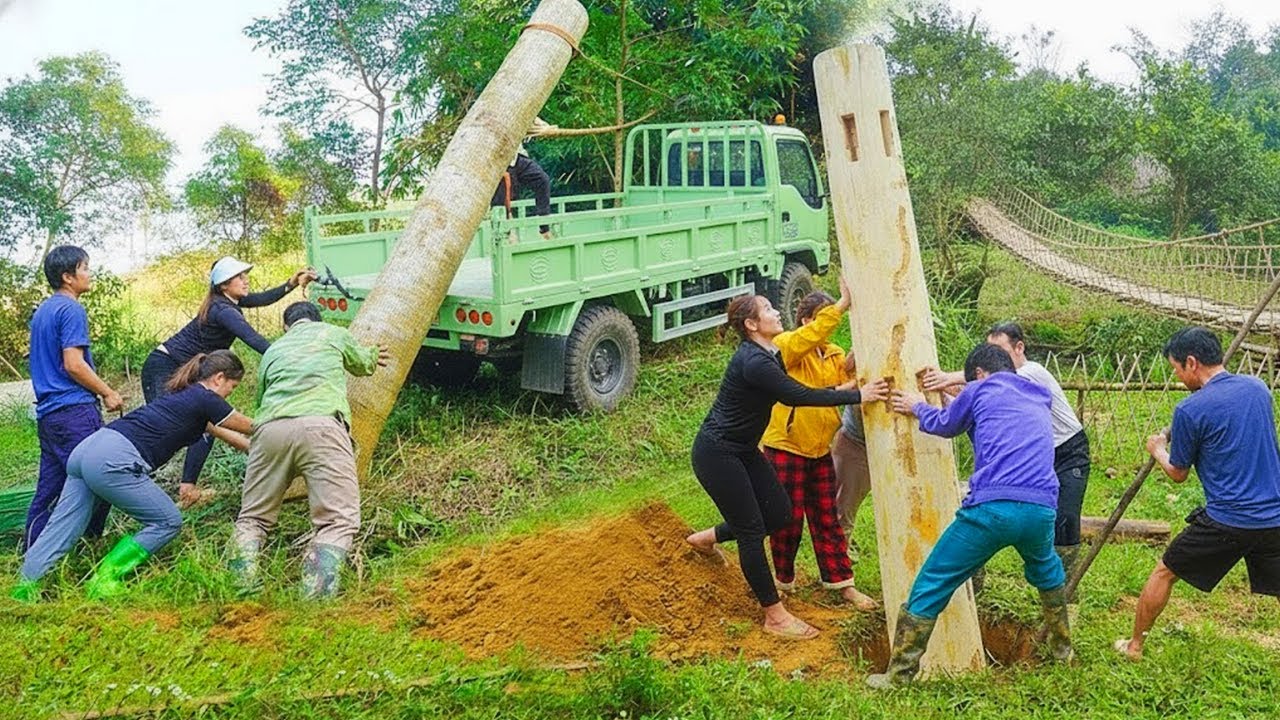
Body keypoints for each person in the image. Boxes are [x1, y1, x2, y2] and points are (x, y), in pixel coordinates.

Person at [684, 293, 888, 640]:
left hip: (743, 450)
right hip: (718, 453)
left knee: (779, 513)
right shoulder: (754, 361)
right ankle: (775, 617)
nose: (777, 312)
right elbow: (797, 395)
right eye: (768, 309)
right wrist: (856, 395)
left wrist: (844, 385)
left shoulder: (770, 353)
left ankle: (707, 538)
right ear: (752, 324)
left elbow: (804, 384)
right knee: (751, 532)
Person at [868, 343, 1072, 688]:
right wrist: (960, 398)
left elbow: (946, 424)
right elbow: (997, 427)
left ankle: (899, 675)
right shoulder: (1039, 394)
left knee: (934, 580)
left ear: (978, 374)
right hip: (1041, 509)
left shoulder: (978, 389)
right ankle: (1063, 652)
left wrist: (916, 406)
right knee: (1047, 572)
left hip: (991, 511)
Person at [11, 351, 252, 601]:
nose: (229, 393)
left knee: (60, 528)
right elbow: (247, 425)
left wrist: (252, 447)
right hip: (112, 459)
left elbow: (225, 432)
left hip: (88, 450)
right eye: (232, 387)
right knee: (168, 521)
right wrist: (274, 426)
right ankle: (106, 578)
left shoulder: (184, 396)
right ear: (219, 378)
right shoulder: (206, 397)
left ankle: (23, 591)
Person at [1116, 327, 1280, 661]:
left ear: (1191, 362)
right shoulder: (1259, 389)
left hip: (1227, 521)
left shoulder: (1190, 410)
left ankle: (1134, 647)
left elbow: (1178, 473)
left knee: (1165, 572)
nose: (1177, 377)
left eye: (1176, 368)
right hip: (1274, 517)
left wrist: (1158, 450)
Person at [229, 301, 389, 599]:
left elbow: (262, 399)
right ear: (317, 319)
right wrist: (372, 355)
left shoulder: (273, 350)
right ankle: (314, 598)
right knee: (337, 520)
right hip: (321, 427)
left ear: (285, 327)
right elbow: (362, 364)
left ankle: (241, 588)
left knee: (252, 517)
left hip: (269, 430)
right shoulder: (332, 332)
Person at [921, 322, 1090, 583]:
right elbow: (975, 405)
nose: (996, 357)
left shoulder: (1032, 373)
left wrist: (947, 378)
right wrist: (951, 398)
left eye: (1000, 351)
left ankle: (1066, 588)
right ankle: (1041, 587)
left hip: (1067, 451)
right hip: (1030, 456)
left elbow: (990, 384)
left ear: (1019, 348)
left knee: (1065, 520)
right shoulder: (993, 389)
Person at [140, 256, 315, 507]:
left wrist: (291, 284)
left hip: (185, 368)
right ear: (224, 285)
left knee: (201, 424)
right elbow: (252, 339)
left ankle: (188, 490)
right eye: (239, 277)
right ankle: (128, 471)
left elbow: (262, 298)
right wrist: (289, 358)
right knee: (165, 425)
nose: (245, 280)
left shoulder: (227, 302)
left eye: (245, 275)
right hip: (163, 367)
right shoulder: (222, 311)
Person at [760, 277, 878, 611]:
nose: (830, 323)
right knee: (788, 519)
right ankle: (783, 581)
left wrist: (855, 366)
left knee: (827, 518)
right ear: (806, 321)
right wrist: (840, 305)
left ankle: (842, 584)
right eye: (823, 317)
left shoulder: (834, 354)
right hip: (787, 446)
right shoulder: (786, 346)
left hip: (820, 450)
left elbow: (841, 385)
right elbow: (814, 352)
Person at [22, 246, 123, 551]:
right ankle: (87, 545)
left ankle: (33, 549)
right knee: (102, 478)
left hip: (49, 415)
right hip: (74, 411)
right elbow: (73, 364)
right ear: (68, 277)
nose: (89, 274)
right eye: (85, 268)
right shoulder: (71, 309)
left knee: (50, 487)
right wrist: (108, 392)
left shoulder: (43, 312)